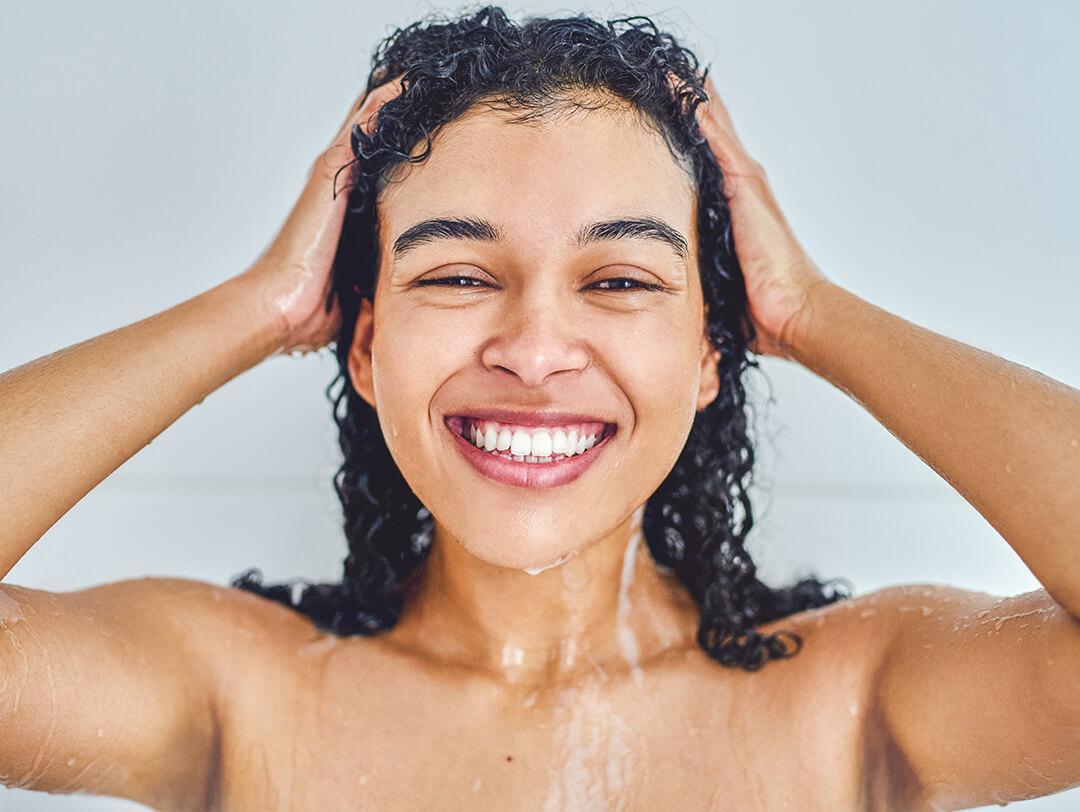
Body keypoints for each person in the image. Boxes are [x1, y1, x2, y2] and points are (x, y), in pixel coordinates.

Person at [3, 6, 1080, 809]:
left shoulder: (854, 697)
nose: (531, 349)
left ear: (712, 348)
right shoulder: (242, 691)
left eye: (619, 279)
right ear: (366, 344)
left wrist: (810, 312)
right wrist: (259, 305)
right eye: (459, 274)